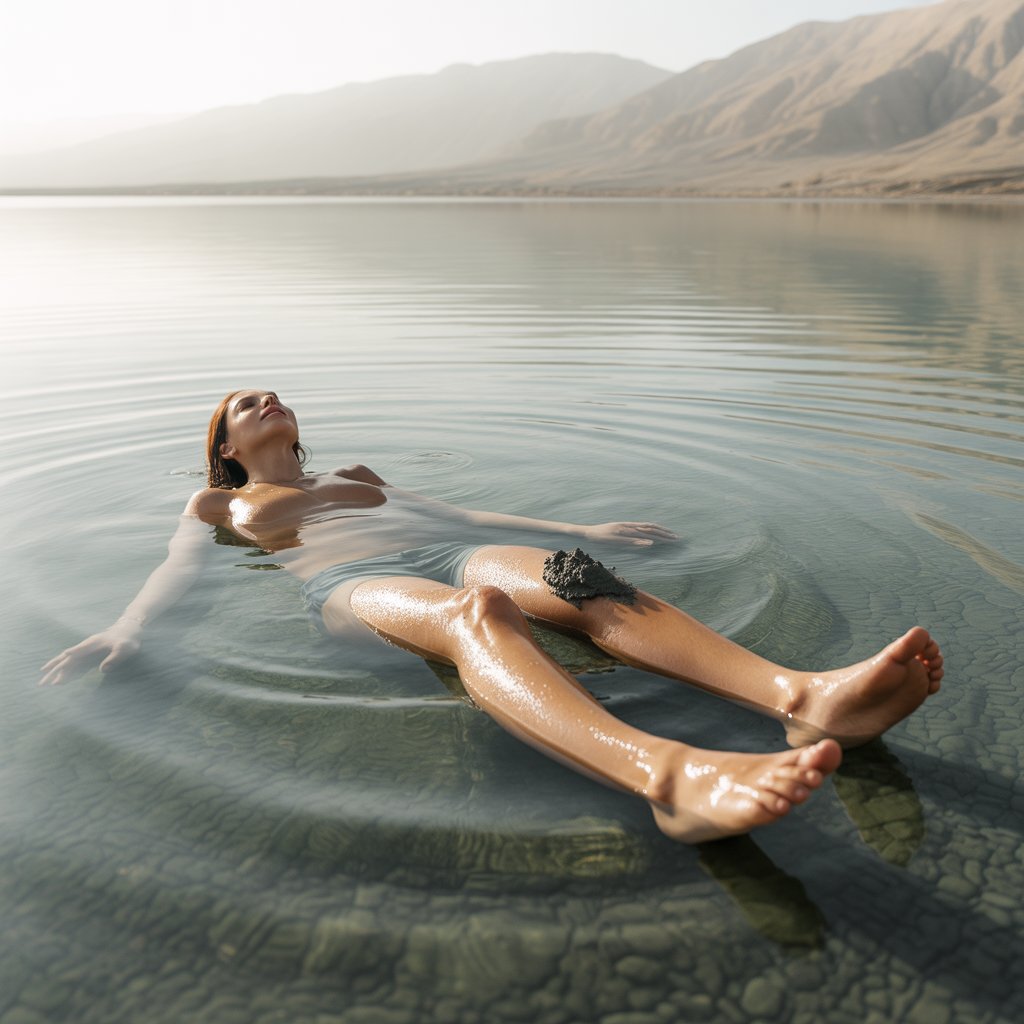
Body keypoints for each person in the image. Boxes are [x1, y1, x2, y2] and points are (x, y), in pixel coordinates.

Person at [40, 389, 944, 844]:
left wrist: (580, 531)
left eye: (272, 393)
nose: (264, 401)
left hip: (438, 553)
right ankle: (668, 778)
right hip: (348, 586)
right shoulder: (218, 505)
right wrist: (130, 628)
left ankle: (804, 699)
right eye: (244, 404)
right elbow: (177, 567)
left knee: (581, 580)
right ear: (228, 445)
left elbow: (460, 518)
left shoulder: (355, 476)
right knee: (480, 615)